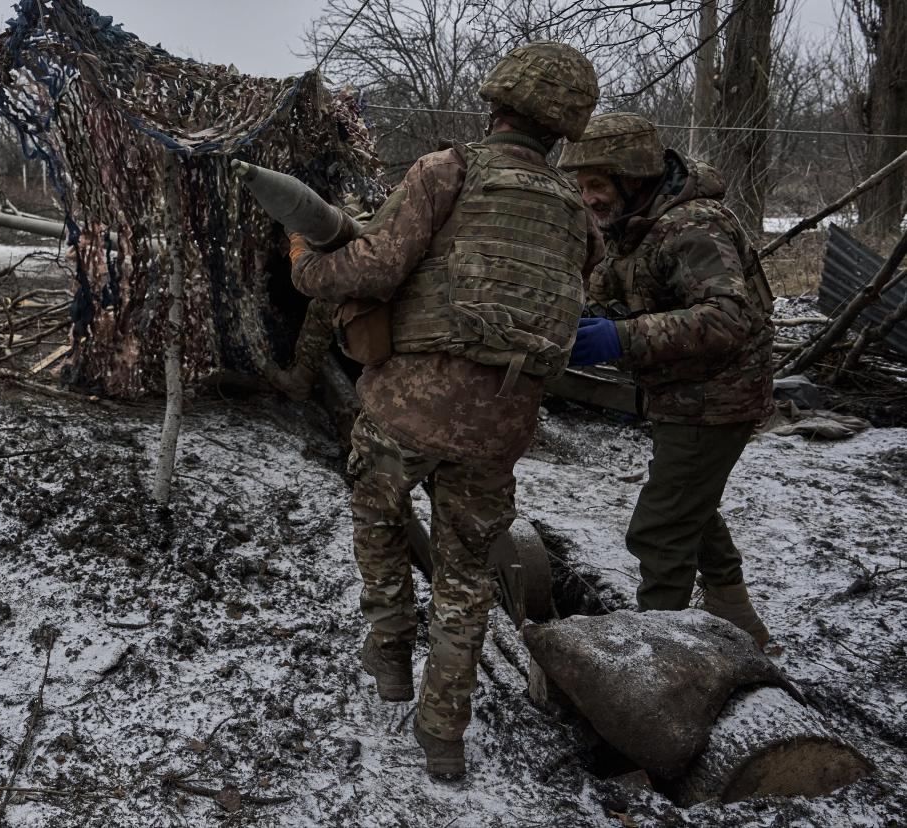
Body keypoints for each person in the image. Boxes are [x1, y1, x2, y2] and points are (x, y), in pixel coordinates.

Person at [291, 42, 602, 779]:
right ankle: (444, 738)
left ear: (495, 103)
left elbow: (375, 265)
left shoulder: (446, 171)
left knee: (378, 517)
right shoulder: (576, 214)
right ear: (563, 129)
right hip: (501, 422)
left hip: (408, 405)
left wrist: (307, 266)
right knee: (467, 574)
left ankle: (391, 656)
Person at [558, 112, 775, 649]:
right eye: (580, 186)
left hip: (716, 398)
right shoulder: (634, 225)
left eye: (597, 185)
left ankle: (664, 653)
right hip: (680, 393)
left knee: (659, 529)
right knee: (688, 506)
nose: (588, 198)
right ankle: (736, 615)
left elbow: (729, 317)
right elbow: (629, 290)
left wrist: (621, 337)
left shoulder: (693, 225)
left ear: (633, 177)